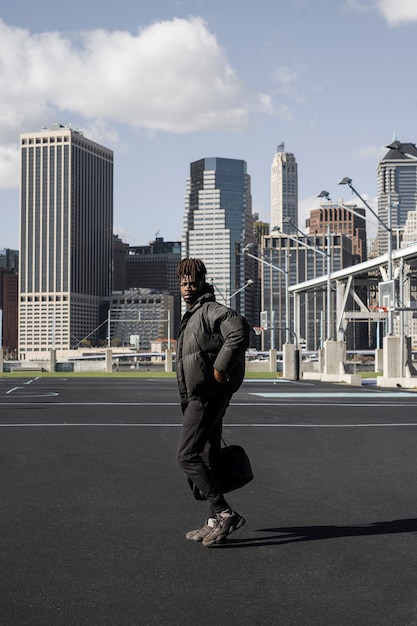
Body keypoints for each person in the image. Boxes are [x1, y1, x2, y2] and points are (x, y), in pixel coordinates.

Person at [176, 258, 250, 546]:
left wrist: (221, 368)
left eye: (192, 282)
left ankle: (224, 512)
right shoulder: (194, 315)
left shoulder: (208, 310)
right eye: (183, 283)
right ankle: (212, 522)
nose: (187, 287)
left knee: (186, 456)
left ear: (203, 282)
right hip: (202, 395)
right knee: (207, 456)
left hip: (208, 395)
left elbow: (239, 330)